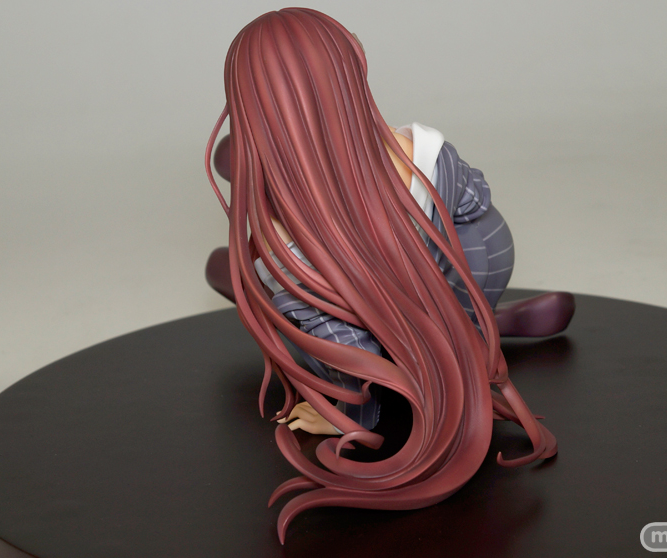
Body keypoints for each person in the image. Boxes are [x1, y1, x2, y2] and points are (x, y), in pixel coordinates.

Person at [204, 8, 572, 543]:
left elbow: (337, 337)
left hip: (373, 316)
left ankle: (452, 337)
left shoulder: (284, 234)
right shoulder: (423, 151)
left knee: (269, 287)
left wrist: (350, 411)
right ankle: (476, 328)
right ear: (351, 74)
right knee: (469, 237)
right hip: (458, 279)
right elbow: (476, 201)